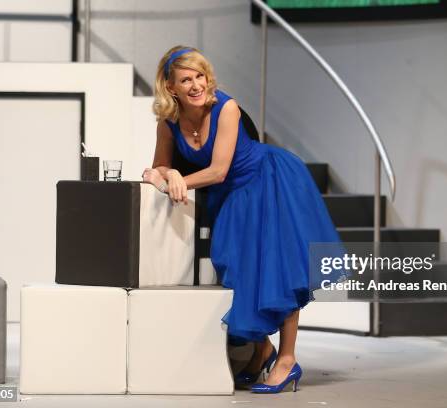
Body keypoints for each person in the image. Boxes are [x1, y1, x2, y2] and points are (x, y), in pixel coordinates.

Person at [142, 45, 342, 394]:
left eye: (199, 76)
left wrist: (177, 179)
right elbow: (159, 165)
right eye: (186, 79)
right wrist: (164, 173)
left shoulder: (226, 108)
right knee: (232, 266)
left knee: (279, 272)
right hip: (234, 197)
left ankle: (286, 360)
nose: (195, 85)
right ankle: (263, 351)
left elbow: (218, 171)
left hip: (266, 181)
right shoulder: (169, 121)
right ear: (171, 87)